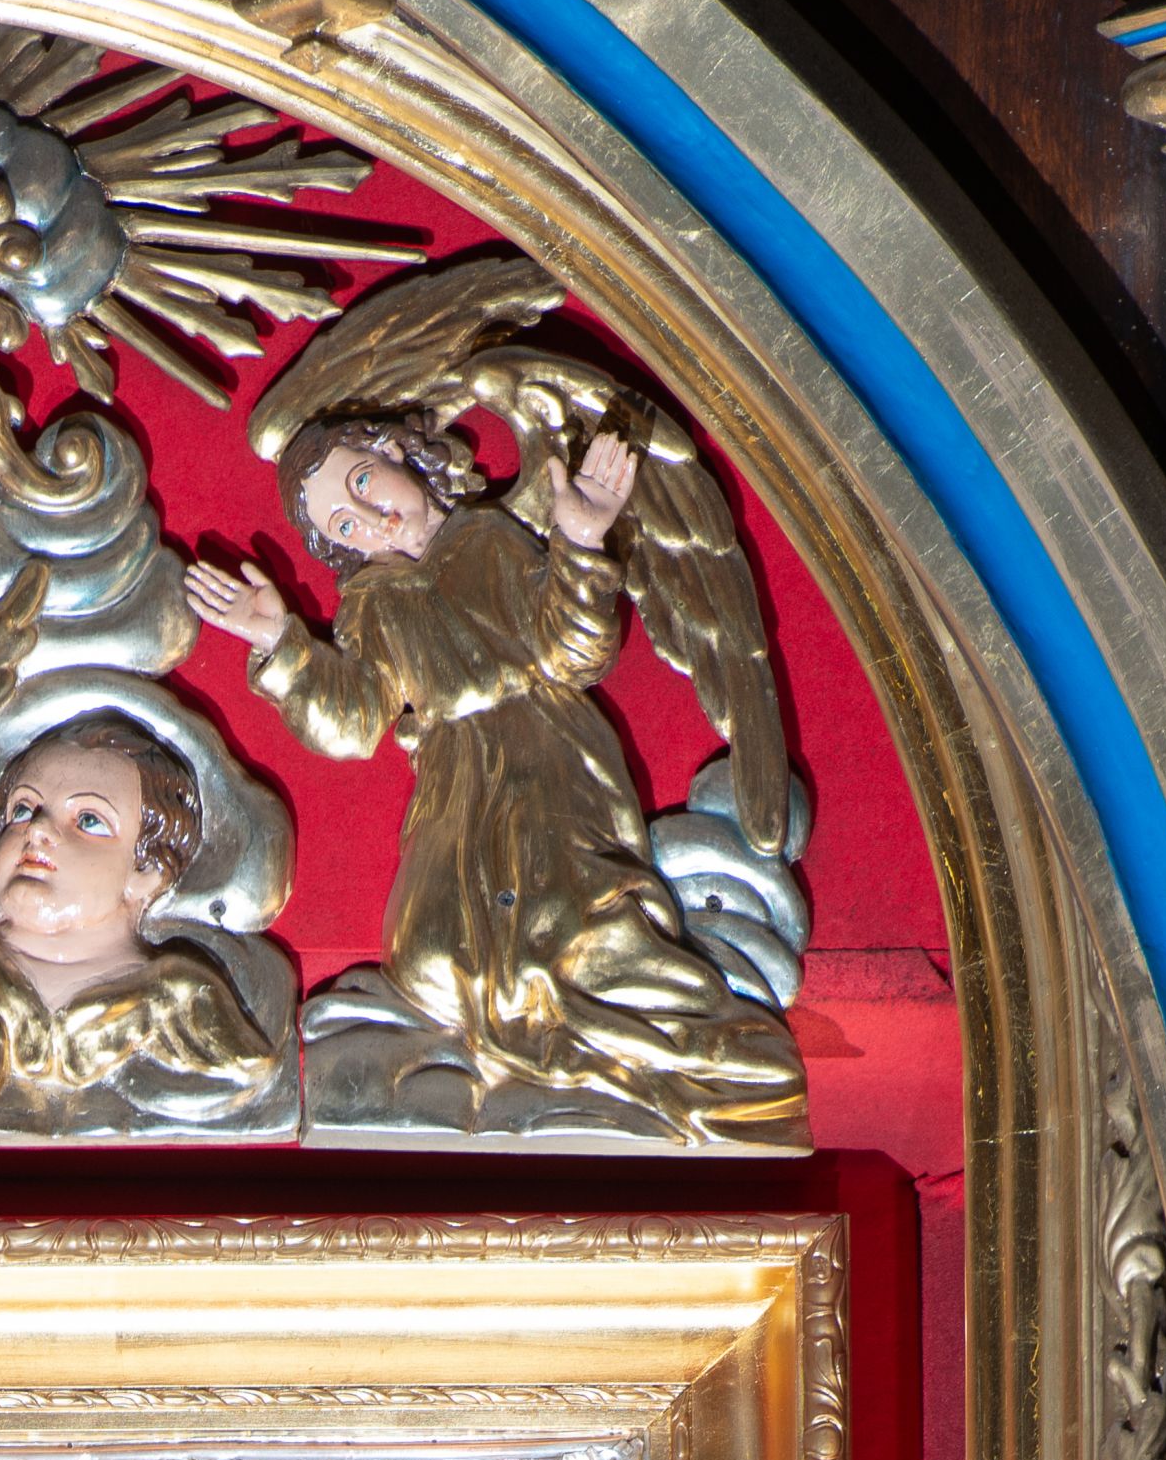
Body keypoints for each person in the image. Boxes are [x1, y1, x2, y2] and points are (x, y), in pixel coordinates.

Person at [182, 413, 807, 1143]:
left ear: (395, 451)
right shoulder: (371, 604)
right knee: (430, 955)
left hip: (549, 761)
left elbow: (573, 653)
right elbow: (353, 720)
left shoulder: (487, 539)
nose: (370, 519)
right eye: (344, 527)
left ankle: (656, 1057)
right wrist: (281, 642)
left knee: (565, 928)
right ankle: (495, 1070)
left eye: (362, 482)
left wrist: (580, 543)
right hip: (454, 790)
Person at [0, 713, 287, 1127]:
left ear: (146, 870)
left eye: (89, 820)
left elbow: (244, 1077)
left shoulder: (177, 998)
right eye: (23, 810)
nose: (38, 830)